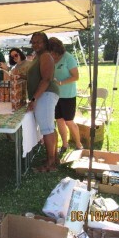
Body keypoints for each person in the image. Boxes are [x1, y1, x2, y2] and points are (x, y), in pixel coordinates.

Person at [27, 32, 60, 172]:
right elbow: (38, 75)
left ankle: (50, 164)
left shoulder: (45, 56)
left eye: (39, 42)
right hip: (44, 95)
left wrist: (34, 99)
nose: (36, 44)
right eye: (33, 42)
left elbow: (46, 79)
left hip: (45, 95)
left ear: (45, 43)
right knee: (49, 128)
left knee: (47, 129)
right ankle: (52, 158)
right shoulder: (39, 56)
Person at [49, 37, 83, 159]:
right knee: (59, 121)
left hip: (68, 95)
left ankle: (79, 144)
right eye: (50, 53)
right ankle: (64, 144)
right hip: (55, 95)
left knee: (69, 121)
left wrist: (61, 83)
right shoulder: (51, 59)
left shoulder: (68, 58)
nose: (53, 55)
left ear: (58, 49)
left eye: (54, 53)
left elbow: (76, 76)